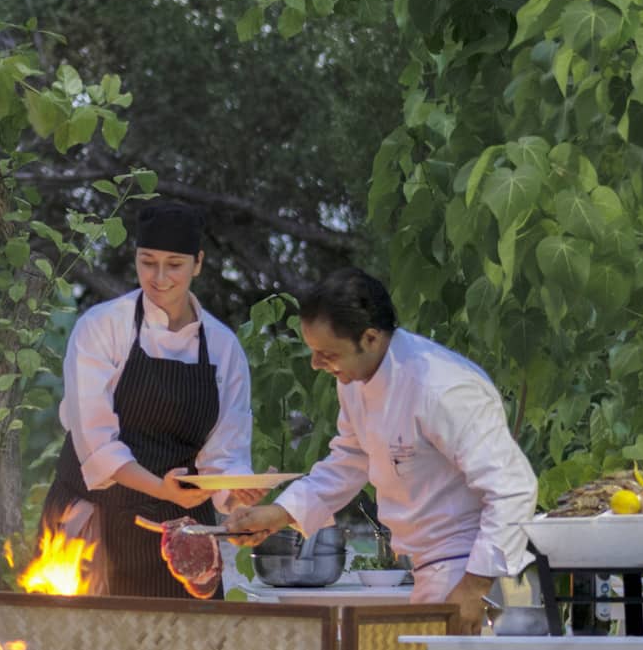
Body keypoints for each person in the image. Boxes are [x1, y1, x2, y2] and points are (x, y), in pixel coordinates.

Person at [228, 268, 537, 630]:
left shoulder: (441, 386)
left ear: (371, 338)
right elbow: (348, 461)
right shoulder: (355, 382)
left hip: (473, 565)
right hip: (430, 566)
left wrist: (474, 587)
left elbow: (514, 488)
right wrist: (278, 513)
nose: (315, 365)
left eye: (326, 354)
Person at [39, 199, 253, 598]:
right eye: (147, 262)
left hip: (181, 533)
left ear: (198, 263)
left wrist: (237, 495)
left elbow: (225, 452)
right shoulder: (102, 328)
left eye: (174, 264)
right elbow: (95, 444)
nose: (159, 277)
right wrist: (159, 487)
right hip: (94, 527)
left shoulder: (223, 347)